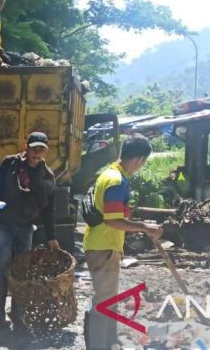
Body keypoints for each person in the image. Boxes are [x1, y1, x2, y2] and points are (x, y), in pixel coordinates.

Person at [83, 134, 163, 350]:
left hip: (100, 245)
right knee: (104, 302)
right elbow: (114, 220)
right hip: (104, 246)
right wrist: (145, 228)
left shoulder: (108, 173)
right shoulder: (117, 181)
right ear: (139, 159)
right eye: (143, 162)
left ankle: (108, 344)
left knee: (108, 300)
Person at [0, 131, 60, 329]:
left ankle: (17, 313)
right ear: (26, 147)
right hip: (3, 222)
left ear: (45, 152)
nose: (37, 154)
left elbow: (48, 209)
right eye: (34, 149)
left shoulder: (47, 176)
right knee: (3, 264)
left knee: (22, 270)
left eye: (41, 150)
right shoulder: (10, 164)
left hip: (26, 225)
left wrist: (52, 236)